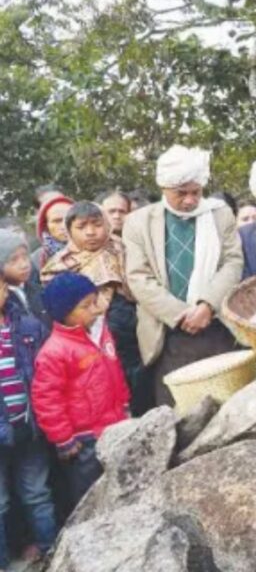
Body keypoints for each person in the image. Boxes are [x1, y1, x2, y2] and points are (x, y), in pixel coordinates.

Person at [123, 145, 242, 409]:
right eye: (181, 193)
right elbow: (138, 277)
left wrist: (206, 306)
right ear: (164, 188)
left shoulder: (220, 214)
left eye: (196, 192)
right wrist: (181, 315)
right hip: (168, 335)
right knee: (180, 414)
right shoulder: (138, 222)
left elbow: (233, 262)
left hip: (217, 328)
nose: (189, 200)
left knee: (228, 408)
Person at [40, 202, 146, 416]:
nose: (90, 232)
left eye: (97, 224)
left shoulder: (123, 249)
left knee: (142, 389)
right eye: (82, 227)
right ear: (70, 230)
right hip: (90, 341)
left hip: (137, 334)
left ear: (106, 225)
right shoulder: (58, 266)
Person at [33, 273, 129, 507]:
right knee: (91, 495)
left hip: (115, 425)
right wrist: (63, 438)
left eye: (95, 301)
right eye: (86, 306)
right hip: (84, 440)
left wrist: (125, 405)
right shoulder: (55, 352)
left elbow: (116, 372)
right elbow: (47, 399)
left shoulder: (101, 333)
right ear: (64, 314)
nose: (95, 309)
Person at [0, 276, 55, 571]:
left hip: (30, 428)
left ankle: (53, 552)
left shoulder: (28, 327)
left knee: (38, 494)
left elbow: (48, 373)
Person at [0, 230, 45, 324]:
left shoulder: (39, 290)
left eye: (25, 257)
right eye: (13, 260)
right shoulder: (2, 300)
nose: (24, 265)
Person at [31, 195, 73, 273]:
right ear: (46, 226)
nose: (64, 225)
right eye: (57, 221)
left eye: (69, 219)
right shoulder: (36, 261)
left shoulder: (96, 248)